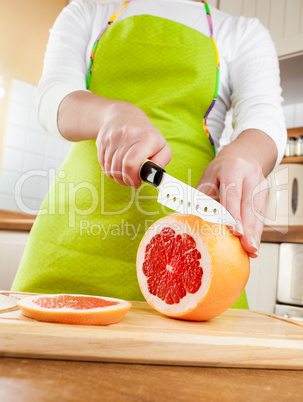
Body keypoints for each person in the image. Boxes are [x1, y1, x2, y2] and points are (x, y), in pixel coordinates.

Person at [12, 0, 286, 308]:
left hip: (194, 254)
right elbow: (53, 98)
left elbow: (263, 116)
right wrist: (110, 114)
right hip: (70, 237)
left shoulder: (243, 33)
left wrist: (247, 154)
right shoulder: (87, 10)